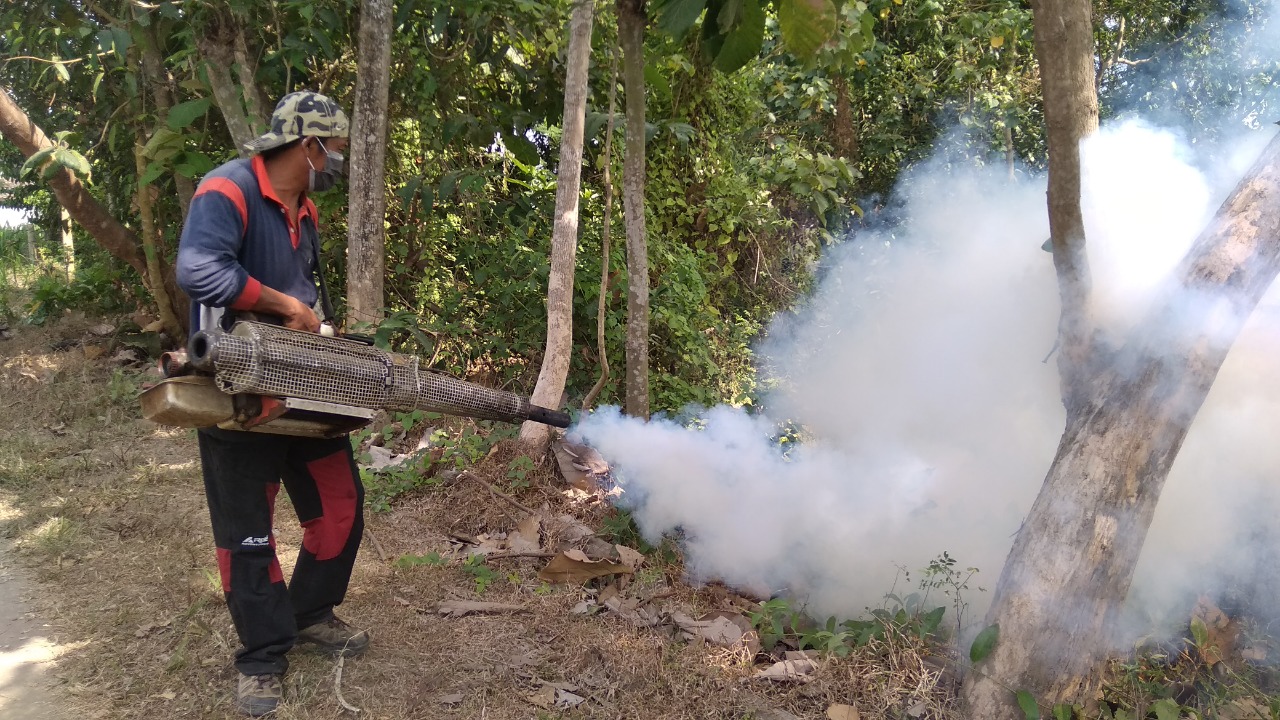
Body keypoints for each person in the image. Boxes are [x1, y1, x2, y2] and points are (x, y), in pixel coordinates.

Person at [175, 91, 369, 717]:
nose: (336, 162)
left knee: (340, 508)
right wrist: (285, 306)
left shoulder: (304, 210)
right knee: (248, 534)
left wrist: (322, 328)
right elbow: (199, 272)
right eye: (334, 150)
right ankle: (261, 657)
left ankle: (310, 612)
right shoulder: (226, 190)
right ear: (308, 146)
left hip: (304, 389)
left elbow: (306, 293)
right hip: (237, 392)